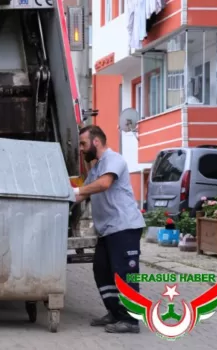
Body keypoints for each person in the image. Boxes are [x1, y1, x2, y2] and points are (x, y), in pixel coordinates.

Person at [72, 125, 145, 334]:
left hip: (124, 227)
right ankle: (115, 312)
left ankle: (131, 321)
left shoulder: (114, 160)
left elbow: (103, 184)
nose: (81, 149)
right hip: (107, 230)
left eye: (84, 144)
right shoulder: (95, 168)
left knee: (125, 274)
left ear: (96, 142)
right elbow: (82, 195)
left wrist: (76, 190)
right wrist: (63, 199)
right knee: (101, 270)